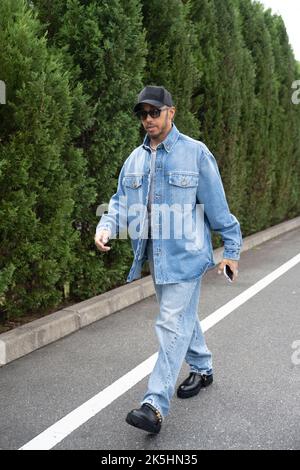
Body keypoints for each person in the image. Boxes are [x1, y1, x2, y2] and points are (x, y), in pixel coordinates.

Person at [94, 85, 242, 434]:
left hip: (187, 257)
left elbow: (218, 209)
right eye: (142, 114)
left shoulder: (196, 154)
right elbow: (119, 202)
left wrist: (231, 251)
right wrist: (106, 225)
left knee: (171, 325)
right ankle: (203, 368)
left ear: (170, 112)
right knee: (182, 318)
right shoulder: (134, 160)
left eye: (154, 112)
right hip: (156, 259)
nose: (148, 119)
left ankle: (153, 406)